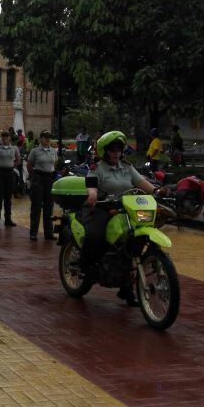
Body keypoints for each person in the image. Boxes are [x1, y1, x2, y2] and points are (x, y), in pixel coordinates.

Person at [82, 130, 161, 305]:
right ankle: (86, 268)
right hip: (102, 207)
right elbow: (92, 183)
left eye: (118, 149)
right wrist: (93, 195)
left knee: (130, 244)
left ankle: (126, 289)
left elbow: (141, 182)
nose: (116, 152)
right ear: (105, 151)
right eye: (112, 149)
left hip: (126, 208)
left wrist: (156, 191)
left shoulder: (126, 167)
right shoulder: (98, 168)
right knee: (96, 235)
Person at [26, 130, 57, 241]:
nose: (48, 139)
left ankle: (48, 233)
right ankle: (33, 232)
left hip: (49, 179)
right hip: (38, 178)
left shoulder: (53, 151)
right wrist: (33, 176)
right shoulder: (35, 151)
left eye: (49, 137)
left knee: (49, 207)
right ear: (41, 138)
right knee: (36, 207)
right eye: (45, 137)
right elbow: (29, 164)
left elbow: (55, 164)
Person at [0, 129, 19, 228]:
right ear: (1, 138)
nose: (5, 139)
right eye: (3, 137)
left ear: (9, 138)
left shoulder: (14, 148)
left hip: (9, 173)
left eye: (6, 137)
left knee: (8, 197)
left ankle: (8, 219)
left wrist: (12, 167)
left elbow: (18, 160)